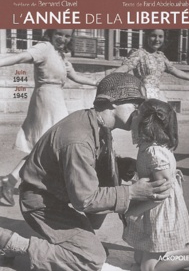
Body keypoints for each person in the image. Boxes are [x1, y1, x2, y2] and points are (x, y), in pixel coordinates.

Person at [0, 73, 171, 271]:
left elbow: (91, 161)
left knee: (109, 181)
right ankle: (12, 244)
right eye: (135, 105)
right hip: (41, 203)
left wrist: (122, 165)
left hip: (57, 195)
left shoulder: (95, 122)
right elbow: (85, 199)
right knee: (92, 257)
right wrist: (132, 192)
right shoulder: (79, 138)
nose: (138, 113)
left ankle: (64, 247)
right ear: (113, 102)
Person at [0, 29, 98, 206]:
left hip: (56, 100)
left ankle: (12, 180)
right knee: (51, 143)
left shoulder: (61, 56)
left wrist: (98, 83)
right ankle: (19, 181)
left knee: (48, 145)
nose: (63, 39)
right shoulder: (44, 48)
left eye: (67, 36)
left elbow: (75, 76)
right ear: (51, 34)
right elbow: (21, 57)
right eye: (59, 34)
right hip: (45, 99)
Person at [123, 99, 189, 271]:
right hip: (152, 206)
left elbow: (162, 193)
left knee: (148, 268)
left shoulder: (154, 152)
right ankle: (184, 250)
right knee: (138, 259)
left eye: (137, 113)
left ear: (146, 122)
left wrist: (133, 211)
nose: (133, 115)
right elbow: (161, 173)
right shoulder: (148, 146)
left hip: (159, 211)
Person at [115, 29, 189, 100]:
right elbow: (125, 67)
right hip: (142, 95)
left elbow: (175, 70)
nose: (157, 39)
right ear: (147, 37)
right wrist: (111, 77)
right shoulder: (139, 53)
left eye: (160, 36)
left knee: (168, 116)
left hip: (158, 95)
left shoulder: (161, 56)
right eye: (153, 36)